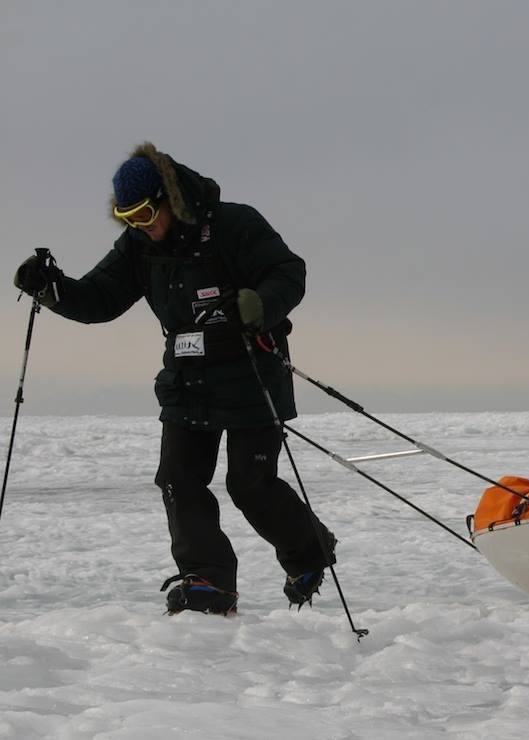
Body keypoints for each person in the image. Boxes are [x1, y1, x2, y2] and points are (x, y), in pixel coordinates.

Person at [13, 142, 336, 615]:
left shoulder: (234, 224)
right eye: (128, 218)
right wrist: (52, 289)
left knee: (250, 484)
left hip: (250, 372)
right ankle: (208, 581)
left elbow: (288, 271)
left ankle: (310, 553)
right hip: (187, 381)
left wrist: (261, 305)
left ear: (169, 199)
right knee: (178, 481)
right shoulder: (139, 248)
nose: (140, 226)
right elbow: (100, 299)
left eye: (145, 214)